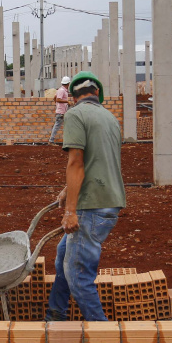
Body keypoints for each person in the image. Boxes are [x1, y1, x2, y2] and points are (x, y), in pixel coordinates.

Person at [46, 71, 125, 321]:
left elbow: (76, 163)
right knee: (63, 258)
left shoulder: (75, 115)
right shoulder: (109, 117)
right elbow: (97, 160)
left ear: (71, 96)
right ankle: (56, 314)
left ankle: (104, 337)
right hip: (109, 201)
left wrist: (70, 211)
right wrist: (69, 189)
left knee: (78, 276)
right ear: (97, 93)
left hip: (91, 206)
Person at [48, 76, 71, 143]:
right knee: (57, 126)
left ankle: (67, 140)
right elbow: (58, 99)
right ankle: (51, 140)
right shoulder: (62, 90)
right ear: (68, 83)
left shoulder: (60, 90)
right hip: (61, 112)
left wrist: (58, 106)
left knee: (65, 125)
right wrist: (67, 102)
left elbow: (55, 98)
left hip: (62, 111)